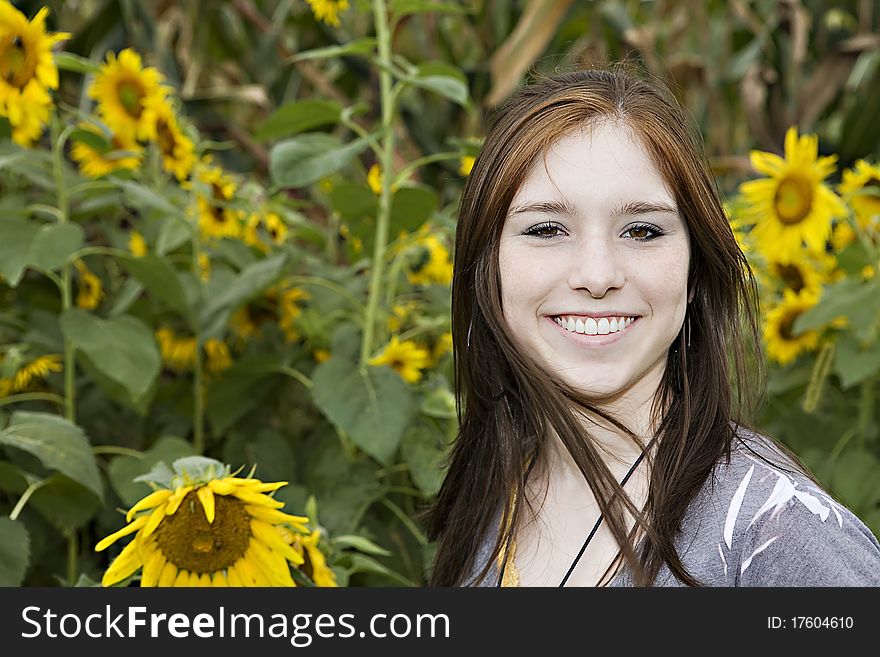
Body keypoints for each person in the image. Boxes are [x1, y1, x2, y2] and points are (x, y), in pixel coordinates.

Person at [423, 64, 880, 587]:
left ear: (694, 269)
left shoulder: (782, 541)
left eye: (642, 230)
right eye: (547, 228)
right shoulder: (490, 501)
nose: (597, 276)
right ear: (488, 267)